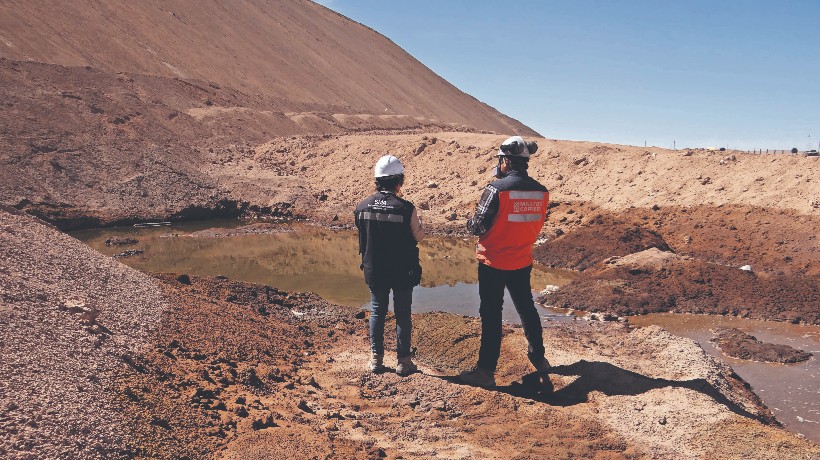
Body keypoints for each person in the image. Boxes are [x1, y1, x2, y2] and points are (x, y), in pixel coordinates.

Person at [459, 136, 551, 388]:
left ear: (506, 161)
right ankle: (539, 357)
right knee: (527, 309)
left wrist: (470, 220)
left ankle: (486, 371)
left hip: (493, 261)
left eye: (500, 160)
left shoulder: (496, 190)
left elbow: (477, 225)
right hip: (521, 259)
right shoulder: (541, 192)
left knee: (491, 314)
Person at [354, 154, 425, 376]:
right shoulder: (406, 208)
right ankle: (404, 362)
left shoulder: (362, 207)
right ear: (398, 181)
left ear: (377, 180)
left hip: (375, 269)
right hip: (402, 270)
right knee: (403, 313)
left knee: (377, 310)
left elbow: (363, 233)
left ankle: (376, 359)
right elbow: (419, 236)